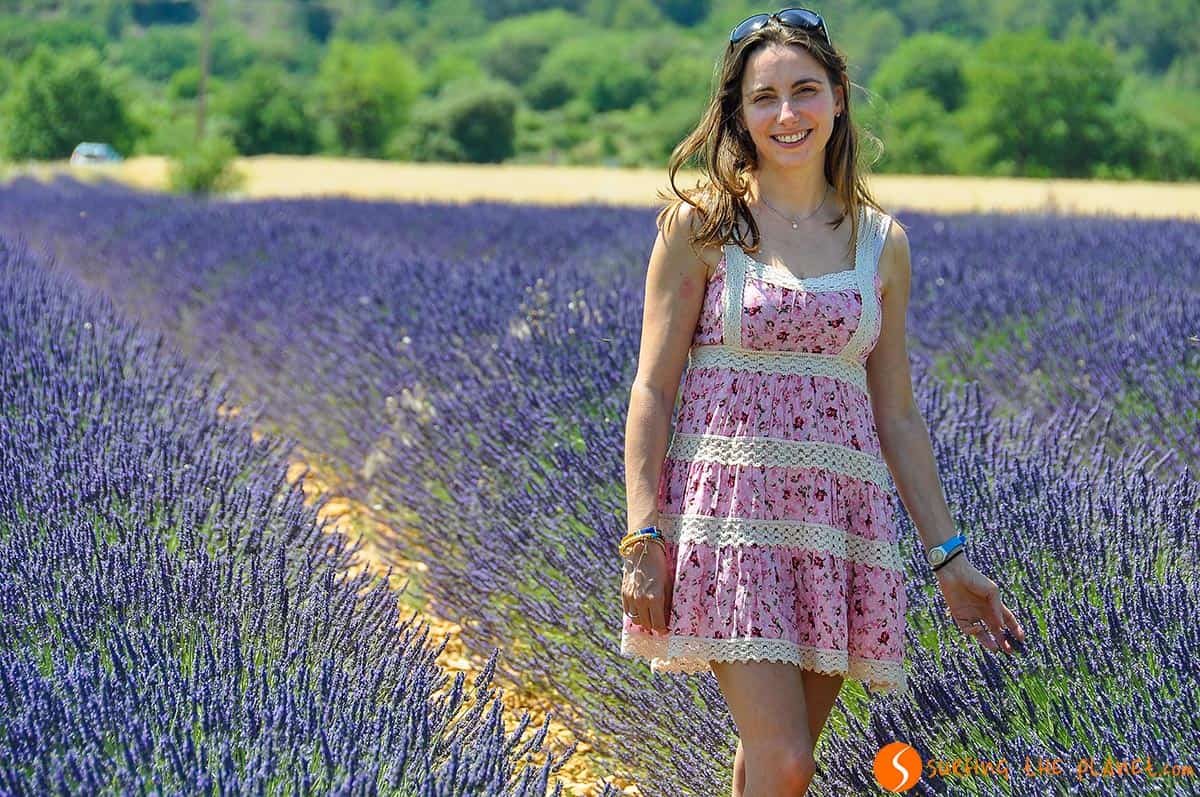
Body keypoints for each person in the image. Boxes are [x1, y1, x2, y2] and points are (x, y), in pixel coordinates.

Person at [617, 8, 1027, 796]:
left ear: (838, 96)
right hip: (732, 522)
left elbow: (897, 413)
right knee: (788, 760)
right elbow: (652, 388)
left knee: (773, 762)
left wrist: (950, 556)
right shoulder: (704, 225)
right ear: (738, 111)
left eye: (805, 90)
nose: (787, 114)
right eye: (764, 97)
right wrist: (643, 533)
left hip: (838, 527)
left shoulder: (882, 242)